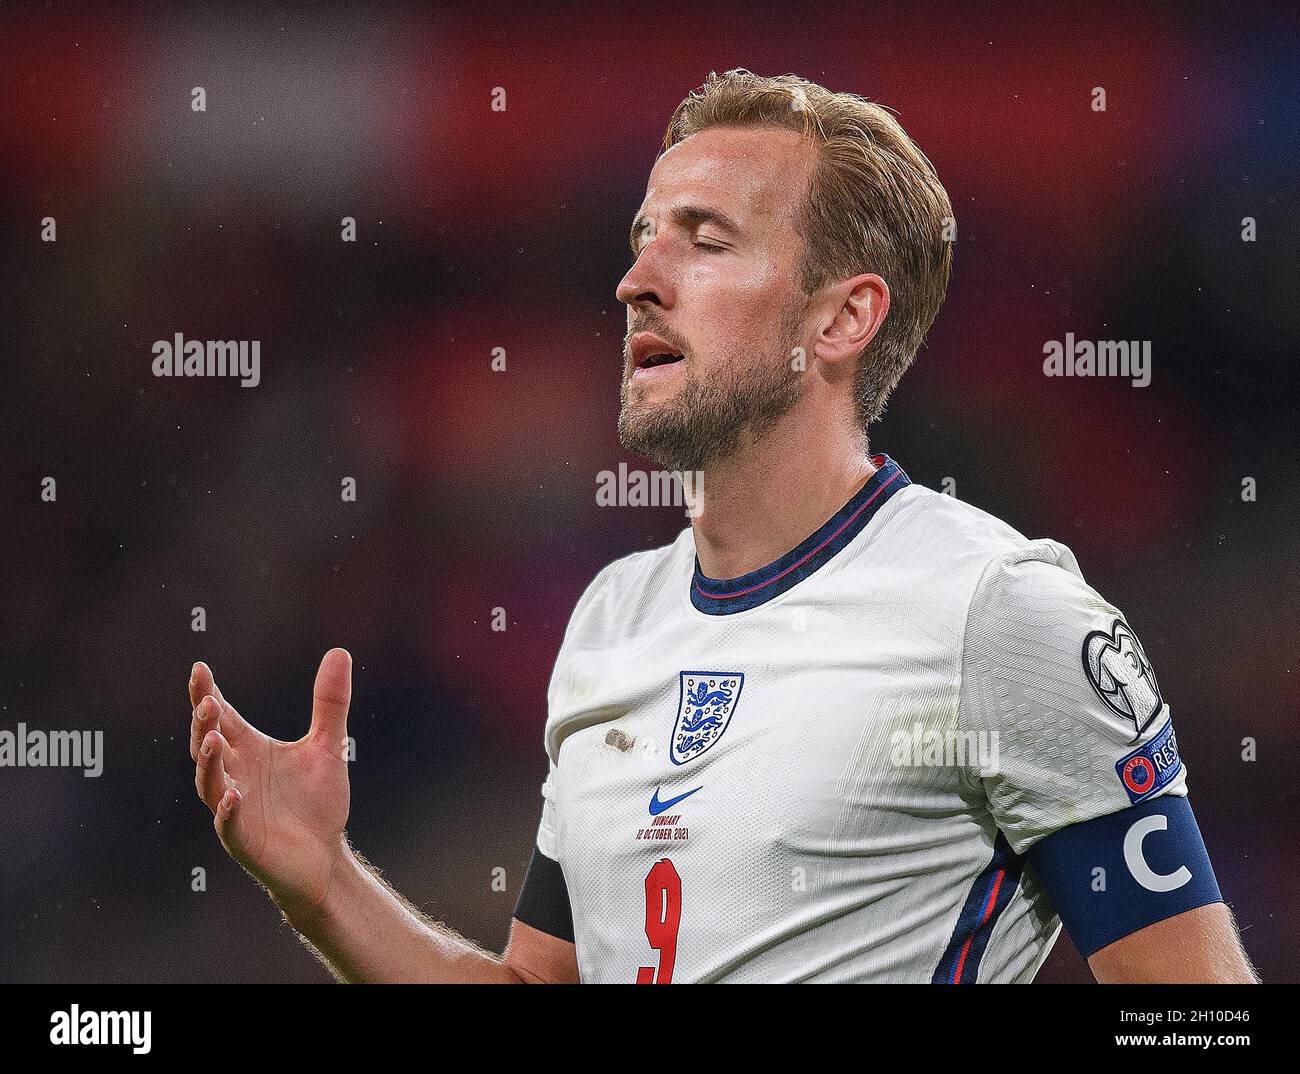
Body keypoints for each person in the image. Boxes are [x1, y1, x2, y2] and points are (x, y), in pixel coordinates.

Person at [189, 69, 1256, 983]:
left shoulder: (998, 613)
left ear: (841, 318)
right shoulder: (612, 619)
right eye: (644, 239)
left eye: (704, 243)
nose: (637, 281)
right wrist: (325, 882)